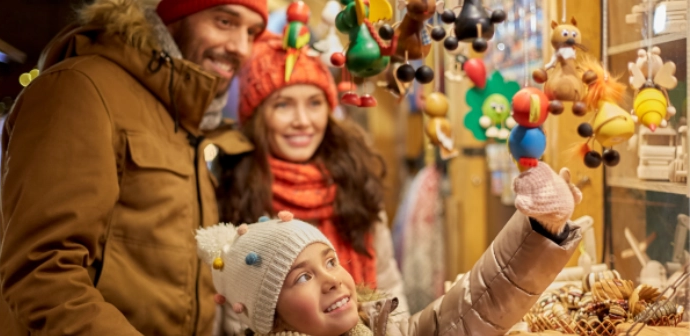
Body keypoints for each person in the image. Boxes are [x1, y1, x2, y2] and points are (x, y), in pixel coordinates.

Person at [0, 0, 267, 334]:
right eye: (225, 21)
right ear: (173, 18)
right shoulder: (81, 87)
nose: (240, 47)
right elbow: (42, 271)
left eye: (252, 32)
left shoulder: (183, 117)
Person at [198, 158, 584, 336]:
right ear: (272, 317)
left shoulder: (381, 330)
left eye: (330, 260)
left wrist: (539, 229)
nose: (332, 279)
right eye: (302, 277)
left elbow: (470, 308)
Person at [214, 31, 409, 328]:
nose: (303, 120)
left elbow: (389, 283)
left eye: (315, 103)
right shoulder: (234, 188)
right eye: (283, 105)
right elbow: (233, 316)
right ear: (256, 114)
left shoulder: (354, 177)